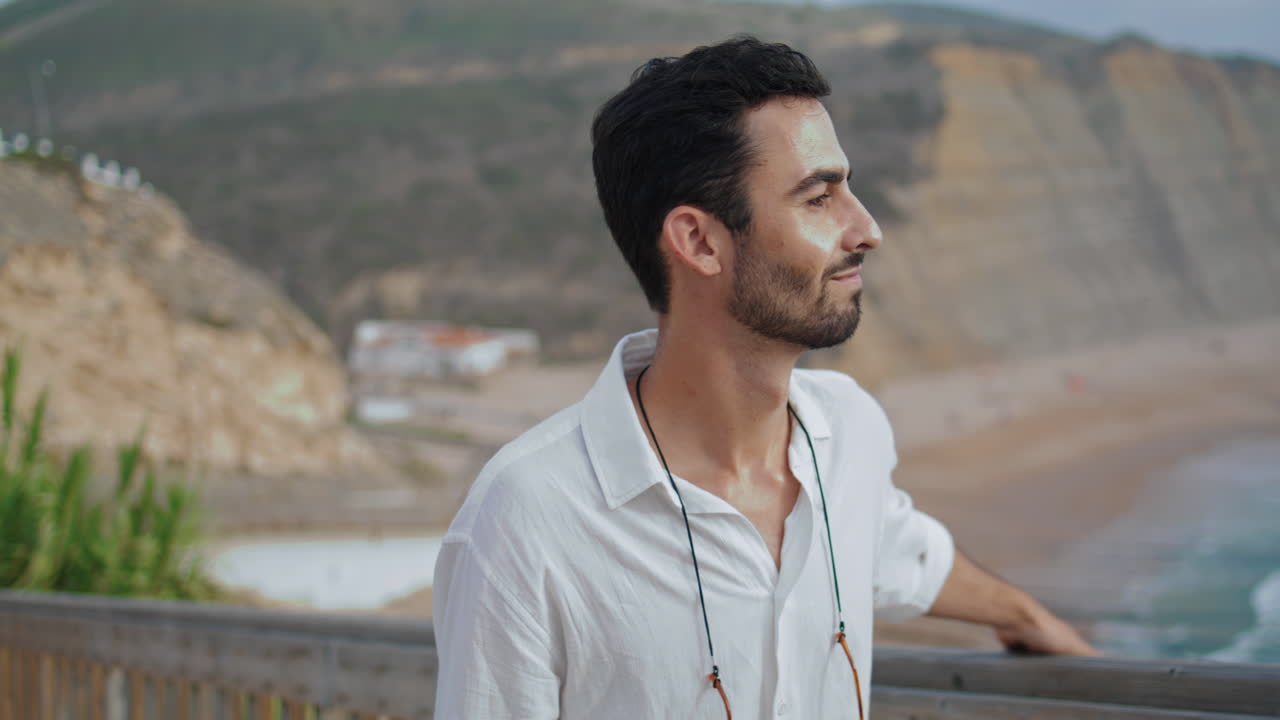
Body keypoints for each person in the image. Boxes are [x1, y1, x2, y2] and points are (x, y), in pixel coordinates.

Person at [433, 36, 1097, 719]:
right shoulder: (527, 518)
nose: (866, 228)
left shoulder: (850, 431)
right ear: (698, 241)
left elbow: (903, 553)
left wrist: (1026, 617)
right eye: (818, 198)